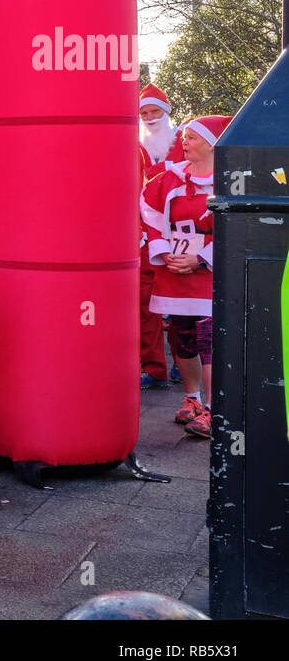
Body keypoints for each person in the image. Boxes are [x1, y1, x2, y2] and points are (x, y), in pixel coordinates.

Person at [140, 115, 229, 439]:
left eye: (191, 137)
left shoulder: (229, 180)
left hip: (208, 274)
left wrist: (202, 259)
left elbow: (235, 226)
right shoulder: (170, 179)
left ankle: (214, 410)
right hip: (175, 270)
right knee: (183, 338)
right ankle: (192, 399)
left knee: (208, 342)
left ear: (211, 143)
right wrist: (164, 252)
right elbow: (149, 211)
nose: (184, 142)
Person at [137, 84, 184, 389]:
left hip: (181, 232)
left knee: (182, 301)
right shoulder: (134, 146)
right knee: (145, 304)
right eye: (144, 113)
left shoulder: (184, 140)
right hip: (145, 233)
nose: (150, 118)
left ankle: (184, 360)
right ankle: (154, 369)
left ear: (166, 112)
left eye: (155, 111)